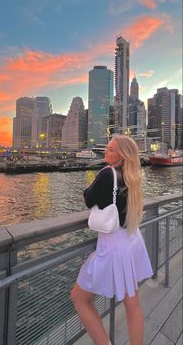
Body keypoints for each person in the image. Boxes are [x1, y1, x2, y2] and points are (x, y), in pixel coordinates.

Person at [70, 135, 153, 345]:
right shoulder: (132, 176)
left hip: (113, 246)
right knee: (132, 303)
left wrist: (90, 187)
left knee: (79, 297)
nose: (105, 152)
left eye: (110, 149)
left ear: (122, 156)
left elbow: (89, 198)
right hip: (130, 240)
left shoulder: (108, 173)